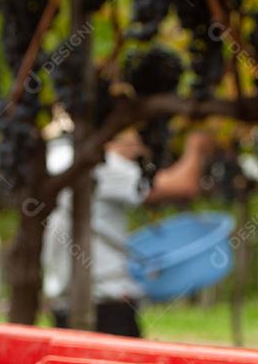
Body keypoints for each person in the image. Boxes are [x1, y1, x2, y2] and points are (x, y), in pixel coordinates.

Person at [42, 129, 215, 337]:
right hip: (106, 306)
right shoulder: (102, 164)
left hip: (66, 304)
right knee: (120, 359)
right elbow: (183, 186)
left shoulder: (55, 157)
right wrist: (196, 146)